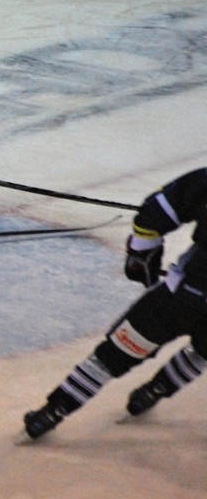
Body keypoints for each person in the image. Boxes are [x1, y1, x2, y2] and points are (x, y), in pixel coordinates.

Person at [22, 168, 207, 440]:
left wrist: (142, 255)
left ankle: (53, 411)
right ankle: (155, 390)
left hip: (182, 296)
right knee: (202, 352)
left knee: (117, 353)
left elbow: (157, 212)